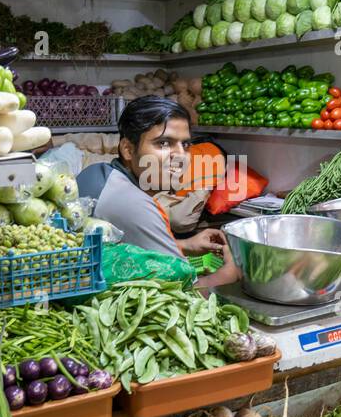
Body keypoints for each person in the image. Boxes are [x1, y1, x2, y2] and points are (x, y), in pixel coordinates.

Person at [76, 96, 239, 287]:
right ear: (128, 149)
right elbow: (183, 292)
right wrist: (230, 273)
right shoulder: (133, 204)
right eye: (163, 143)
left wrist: (184, 246)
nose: (180, 156)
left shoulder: (98, 173)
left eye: (185, 145)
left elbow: (126, 251)